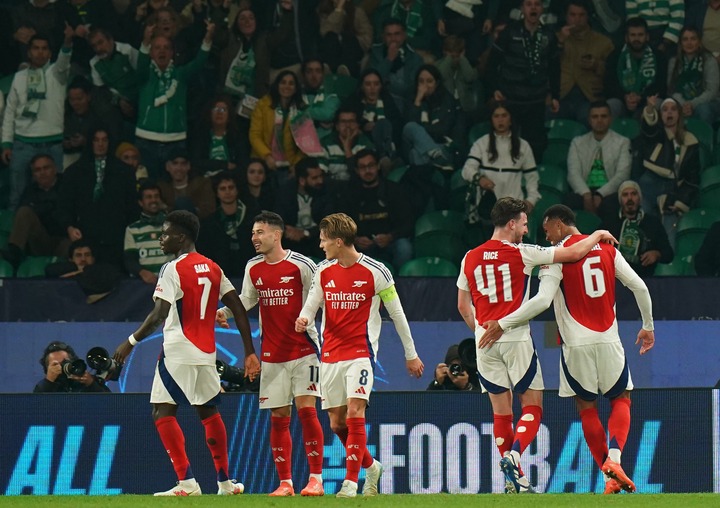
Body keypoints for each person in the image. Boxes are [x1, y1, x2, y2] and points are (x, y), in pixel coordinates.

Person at [480, 203, 655, 495]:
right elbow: (640, 287)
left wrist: (505, 322)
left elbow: (543, 301)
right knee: (621, 398)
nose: (546, 237)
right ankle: (615, 461)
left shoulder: (554, 259)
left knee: (586, 407)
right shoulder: (609, 249)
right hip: (610, 340)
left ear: (559, 223)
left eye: (547, 230)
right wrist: (647, 326)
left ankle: (609, 472)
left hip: (575, 346)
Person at [456, 197, 618, 494]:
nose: (526, 230)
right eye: (524, 223)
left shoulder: (469, 257)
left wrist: (481, 330)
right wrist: (597, 234)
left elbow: (463, 305)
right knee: (533, 406)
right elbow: (574, 252)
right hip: (515, 337)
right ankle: (514, 456)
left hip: (484, 342)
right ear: (512, 223)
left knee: (501, 413)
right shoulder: (524, 253)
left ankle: (512, 481)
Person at [112, 210, 260, 496]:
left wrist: (129, 342)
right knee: (208, 412)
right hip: (206, 353)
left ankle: (187, 483)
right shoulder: (213, 267)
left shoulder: (172, 268)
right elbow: (238, 308)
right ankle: (225, 483)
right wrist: (249, 351)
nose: (161, 238)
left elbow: (159, 314)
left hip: (178, 351)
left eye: (166, 233)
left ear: (181, 237)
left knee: (162, 410)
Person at [295, 212, 424, 498]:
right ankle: (372, 466)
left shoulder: (376, 271)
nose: (321, 245)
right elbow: (312, 303)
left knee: (355, 412)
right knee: (337, 423)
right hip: (329, 355)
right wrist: (304, 318)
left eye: (324, 240)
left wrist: (411, 354)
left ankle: (350, 483)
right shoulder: (323, 271)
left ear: (338, 241)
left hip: (360, 353)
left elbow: (397, 314)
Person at [215, 211, 326, 497]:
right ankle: (285, 483)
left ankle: (316, 479)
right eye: (253, 233)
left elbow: (320, 298)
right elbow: (248, 299)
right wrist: (226, 310)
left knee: (307, 411)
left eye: (260, 232)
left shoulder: (302, 265)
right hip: (272, 354)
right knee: (278, 418)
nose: (254, 238)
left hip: (304, 350)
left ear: (276, 235)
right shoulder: (253, 267)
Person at [2, 28, 73, 210]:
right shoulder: (18, 78)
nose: (40, 52)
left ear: (50, 53)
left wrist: (67, 43)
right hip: (22, 145)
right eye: (36, 48)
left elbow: (64, 61)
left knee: (56, 196)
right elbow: (10, 112)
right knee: (16, 196)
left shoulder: (57, 74)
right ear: (29, 52)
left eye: (44, 48)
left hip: (52, 144)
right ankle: (14, 237)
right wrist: (6, 144)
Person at [486, 0, 561, 160]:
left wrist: (555, 95)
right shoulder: (510, 32)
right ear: (522, 9)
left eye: (537, 4)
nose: (533, 7)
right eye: (529, 4)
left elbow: (554, 67)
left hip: (536, 99)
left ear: (542, 9)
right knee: (507, 143)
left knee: (536, 145)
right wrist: (494, 88)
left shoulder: (548, 35)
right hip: (510, 98)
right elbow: (492, 63)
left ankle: (534, 179)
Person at [58, 127, 139, 270]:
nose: (100, 144)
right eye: (96, 140)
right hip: (85, 236)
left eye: (104, 140)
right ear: (90, 142)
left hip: (116, 237)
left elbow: (132, 206)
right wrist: (69, 227)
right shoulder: (74, 172)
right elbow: (65, 204)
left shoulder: (124, 172)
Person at [462, 101, 540, 226]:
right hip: (487, 209)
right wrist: (479, 179)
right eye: (496, 116)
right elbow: (467, 169)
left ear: (510, 119)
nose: (500, 120)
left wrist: (531, 200)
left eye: (504, 115)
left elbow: (532, 177)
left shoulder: (523, 146)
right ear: (491, 120)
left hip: (513, 209)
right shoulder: (481, 143)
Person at [638, 95, 700, 245]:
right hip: (650, 185)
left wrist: (680, 201)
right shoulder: (657, 134)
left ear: (679, 114)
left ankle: (666, 268)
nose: (669, 113)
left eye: (673, 109)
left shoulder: (690, 141)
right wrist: (651, 109)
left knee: (668, 238)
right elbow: (649, 129)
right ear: (660, 115)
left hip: (673, 192)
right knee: (643, 231)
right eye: (665, 110)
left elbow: (692, 178)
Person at [339, 149, 414, 270]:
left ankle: (400, 284)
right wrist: (355, 239)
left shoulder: (394, 190)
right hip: (361, 244)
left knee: (404, 247)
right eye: (362, 167)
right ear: (357, 171)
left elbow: (407, 223)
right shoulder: (349, 193)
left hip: (390, 241)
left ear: (378, 166)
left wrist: (390, 237)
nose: (367, 171)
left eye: (371, 165)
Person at [566, 101, 632, 222]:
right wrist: (586, 194)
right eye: (595, 117)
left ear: (610, 119)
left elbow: (622, 175)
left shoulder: (622, 142)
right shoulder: (578, 142)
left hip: (610, 192)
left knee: (611, 204)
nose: (599, 120)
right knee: (569, 201)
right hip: (584, 190)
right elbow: (573, 174)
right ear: (589, 120)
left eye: (604, 116)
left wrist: (601, 194)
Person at [1, 154, 69, 268]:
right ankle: (14, 255)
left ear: (55, 169)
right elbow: (24, 216)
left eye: (46, 168)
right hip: (39, 240)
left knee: (79, 249)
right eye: (37, 170)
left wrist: (42, 208)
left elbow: (65, 212)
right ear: (33, 174)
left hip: (64, 239)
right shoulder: (29, 191)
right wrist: (50, 206)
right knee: (24, 212)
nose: (42, 172)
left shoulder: (68, 185)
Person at [555, 0, 615, 123]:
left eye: (581, 15)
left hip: (590, 99)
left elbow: (614, 73)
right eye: (573, 15)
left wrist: (597, 65)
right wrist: (559, 42)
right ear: (566, 16)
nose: (577, 19)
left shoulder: (604, 42)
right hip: (561, 96)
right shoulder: (555, 38)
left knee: (590, 119)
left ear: (588, 16)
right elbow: (545, 65)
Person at [601, 180, 674, 278]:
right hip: (614, 280)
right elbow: (595, 250)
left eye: (634, 194)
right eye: (625, 195)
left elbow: (669, 254)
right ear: (620, 200)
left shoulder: (653, 223)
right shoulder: (609, 223)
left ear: (639, 198)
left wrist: (657, 254)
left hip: (644, 279)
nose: (629, 198)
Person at [403, 64, 465, 171]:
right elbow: (408, 128)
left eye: (429, 81)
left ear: (436, 83)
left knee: (416, 153)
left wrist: (422, 131)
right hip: (415, 145)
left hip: (442, 146)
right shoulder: (412, 98)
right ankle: (436, 156)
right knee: (411, 126)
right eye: (421, 81)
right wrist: (417, 101)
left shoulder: (446, 100)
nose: (425, 85)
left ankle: (427, 180)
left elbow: (442, 130)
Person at [249, 70, 307, 182]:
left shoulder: (301, 110)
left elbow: (305, 143)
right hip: (262, 161)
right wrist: (267, 156)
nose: (287, 86)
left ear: (296, 88)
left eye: (291, 83)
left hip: (289, 166)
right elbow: (254, 135)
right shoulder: (263, 104)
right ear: (277, 85)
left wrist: (296, 165)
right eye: (283, 82)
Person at [605, 17, 667, 119]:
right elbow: (609, 85)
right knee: (611, 105)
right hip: (622, 101)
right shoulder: (615, 56)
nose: (636, 39)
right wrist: (625, 97)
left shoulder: (659, 56)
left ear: (647, 37)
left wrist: (641, 98)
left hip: (647, 101)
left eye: (640, 35)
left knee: (658, 104)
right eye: (633, 35)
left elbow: (661, 87)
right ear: (626, 37)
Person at [275, 157, 335, 259]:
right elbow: (277, 219)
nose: (320, 181)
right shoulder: (285, 193)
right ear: (302, 181)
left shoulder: (326, 190)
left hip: (318, 239)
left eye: (321, 176)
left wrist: (305, 233)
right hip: (291, 241)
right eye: (315, 178)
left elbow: (330, 222)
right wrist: (287, 231)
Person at [667, 26, 720, 125]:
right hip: (681, 102)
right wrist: (683, 104)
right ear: (680, 43)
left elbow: (712, 91)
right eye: (685, 39)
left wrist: (692, 104)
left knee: (703, 109)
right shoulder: (674, 62)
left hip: (709, 102)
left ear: (699, 42)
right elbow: (671, 89)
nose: (689, 43)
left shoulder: (709, 60)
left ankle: (703, 140)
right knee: (666, 106)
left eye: (693, 39)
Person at [369, 18, 423, 114]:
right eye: (389, 35)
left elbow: (410, 88)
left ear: (404, 35)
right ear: (383, 37)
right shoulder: (375, 52)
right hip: (378, 101)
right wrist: (389, 59)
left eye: (397, 34)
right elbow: (371, 81)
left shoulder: (415, 58)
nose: (393, 39)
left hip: (404, 104)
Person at [124, 180, 173, 284]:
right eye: (149, 197)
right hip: (144, 286)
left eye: (156, 196)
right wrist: (142, 272)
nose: (153, 200)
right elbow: (129, 260)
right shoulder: (132, 229)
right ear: (141, 202)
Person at [320, 107, 375, 185]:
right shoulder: (325, 143)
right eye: (343, 122)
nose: (348, 125)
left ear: (357, 125)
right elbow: (320, 177)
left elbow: (362, 177)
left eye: (351, 121)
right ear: (337, 126)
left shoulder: (365, 143)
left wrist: (347, 149)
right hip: (332, 189)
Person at [157, 148, 216, 219]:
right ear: (167, 167)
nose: (179, 168)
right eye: (175, 163)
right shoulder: (161, 187)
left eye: (183, 164)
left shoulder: (202, 183)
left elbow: (209, 209)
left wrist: (167, 208)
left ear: (188, 166)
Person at [34, 341, 110, 393]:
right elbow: (35, 408)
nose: (61, 366)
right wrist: (49, 382)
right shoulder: (43, 387)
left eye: (65, 362)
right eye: (56, 364)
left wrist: (91, 384)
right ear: (47, 368)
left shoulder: (86, 381)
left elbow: (111, 404)